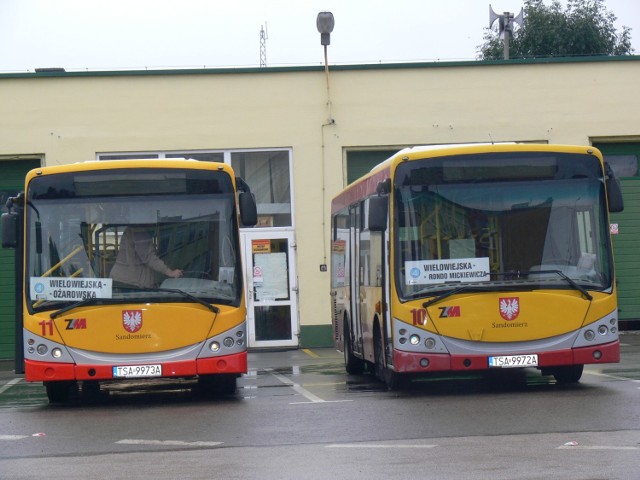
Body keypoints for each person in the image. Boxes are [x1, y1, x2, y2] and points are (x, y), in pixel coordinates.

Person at [110, 226, 183, 288]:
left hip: (123, 279)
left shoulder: (131, 230)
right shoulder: (139, 232)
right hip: (130, 283)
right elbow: (149, 258)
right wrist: (170, 272)